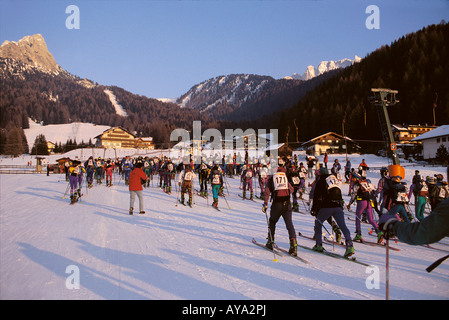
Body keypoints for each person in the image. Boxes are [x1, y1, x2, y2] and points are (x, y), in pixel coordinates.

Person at [311, 168, 354, 258]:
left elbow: (316, 196)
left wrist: (314, 209)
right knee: (343, 226)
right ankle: (350, 245)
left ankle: (319, 244)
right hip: (338, 207)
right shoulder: (334, 180)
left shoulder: (321, 181)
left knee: (318, 224)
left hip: (326, 207)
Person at [262, 166, 298, 256]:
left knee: (272, 221)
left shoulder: (272, 179)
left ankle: (270, 241)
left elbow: (267, 192)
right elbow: (292, 190)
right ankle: (294, 245)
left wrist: (265, 203)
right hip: (287, 203)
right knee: (289, 224)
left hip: (277, 204)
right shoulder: (285, 178)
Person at [347, 177, 383, 243]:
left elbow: (353, 195)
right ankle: (379, 232)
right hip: (369, 202)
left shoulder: (357, 185)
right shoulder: (368, 184)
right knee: (371, 219)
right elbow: (374, 192)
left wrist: (349, 204)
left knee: (358, 218)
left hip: (361, 202)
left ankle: (358, 234)